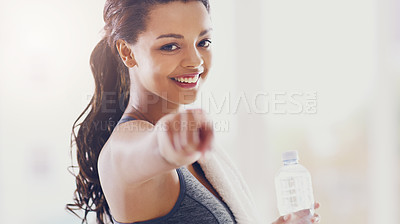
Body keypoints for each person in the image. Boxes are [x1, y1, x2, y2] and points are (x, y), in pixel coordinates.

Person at [66, 0, 321, 223]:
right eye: (170, 46)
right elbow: (146, 149)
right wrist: (166, 142)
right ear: (127, 52)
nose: (196, 61)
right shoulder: (122, 149)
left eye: (203, 42)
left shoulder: (201, 155)